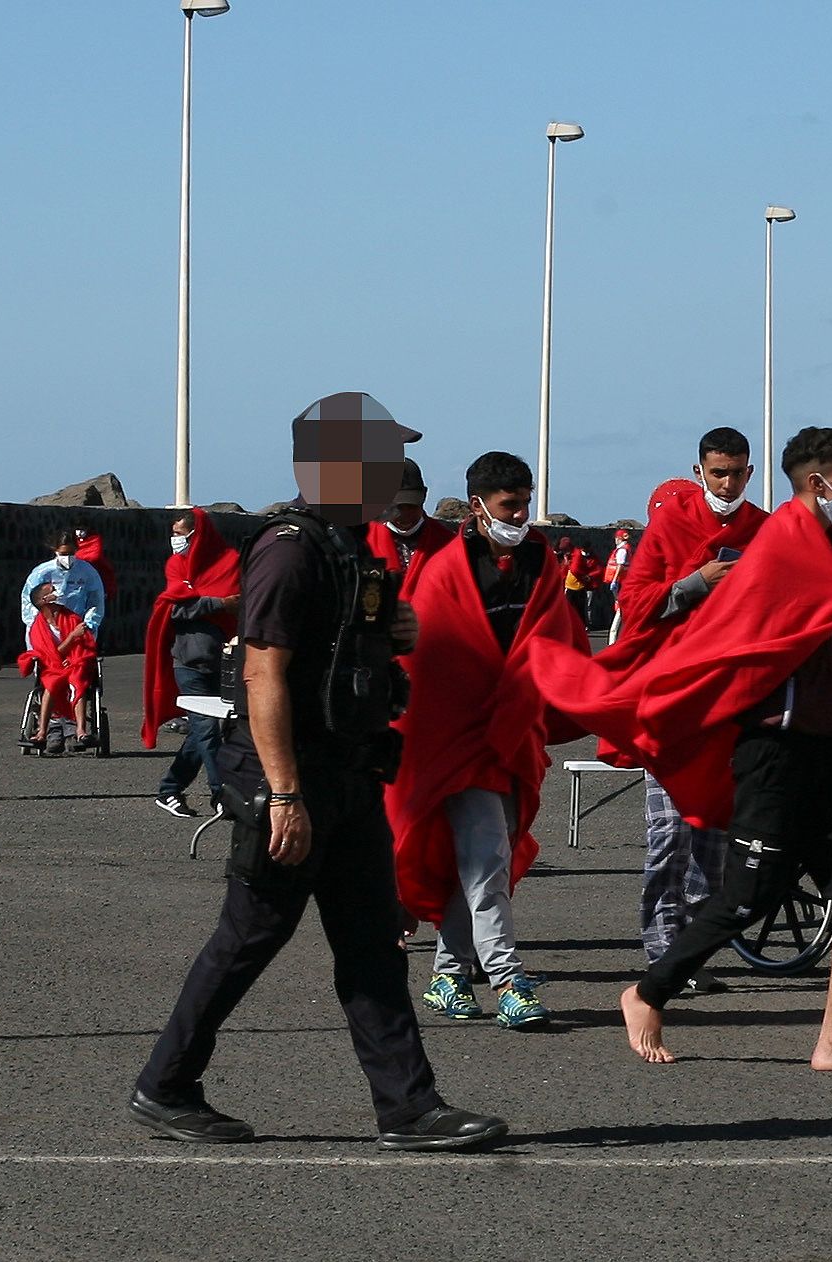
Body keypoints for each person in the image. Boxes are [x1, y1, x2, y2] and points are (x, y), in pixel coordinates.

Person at [132, 390, 505, 1152]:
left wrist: (394, 627)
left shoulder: (348, 547)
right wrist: (282, 795)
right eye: (380, 457)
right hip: (293, 777)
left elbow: (344, 654)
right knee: (249, 938)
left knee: (371, 943)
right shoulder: (291, 549)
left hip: (348, 772)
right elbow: (264, 674)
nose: (394, 470)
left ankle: (409, 1108)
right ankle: (165, 1085)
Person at [531, 425, 832, 1074]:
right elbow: (723, 637)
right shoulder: (780, 546)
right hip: (776, 749)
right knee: (750, 891)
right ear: (818, 484)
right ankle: (648, 992)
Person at [386, 451, 588, 1029]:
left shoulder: (539, 561)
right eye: (510, 505)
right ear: (478, 507)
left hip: (512, 733)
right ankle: (507, 979)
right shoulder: (447, 570)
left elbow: (555, 637)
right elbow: (428, 657)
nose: (521, 513)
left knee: (478, 860)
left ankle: (449, 976)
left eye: (525, 502)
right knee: (488, 862)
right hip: (455, 737)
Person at [612, 427, 768, 987]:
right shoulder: (669, 526)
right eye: (718, 472)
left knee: (713, 838)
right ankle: (662, 952)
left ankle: (692, 951)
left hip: (727, 704)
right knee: (667, 836)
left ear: (751, 473)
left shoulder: (763, 530)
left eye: (738, 472)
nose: (728, 482)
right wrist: (696, 582)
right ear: (700, 471)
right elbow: (634, 603)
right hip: (669, 700)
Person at [143, 509, 241, 818]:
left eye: (181, 535)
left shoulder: (229, 561)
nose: (176, 541)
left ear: (199, 536)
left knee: (201, 733)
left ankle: (170, 788)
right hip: (187, 662)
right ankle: (221, 795)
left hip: (224, 661)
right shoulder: (175, 565)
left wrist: (210, 605)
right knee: (207, 730)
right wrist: (217, 604)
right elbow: (173, 609)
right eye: (173, 535)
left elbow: (242, 600)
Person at [20, 532, 108, 751]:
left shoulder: (87, 573)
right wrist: (41, 625)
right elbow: (29, 602)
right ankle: (51, 728)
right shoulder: (42, 573)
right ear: (55, 551)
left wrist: (88, 625)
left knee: (78, 679)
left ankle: (75, 729)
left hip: (77, 630)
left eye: (71, 553)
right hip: (47, 636)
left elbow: (96, 601)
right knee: (49, 681)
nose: (67, 557)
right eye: (63, 553)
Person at [19, 581, 97, 752]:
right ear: (44, 600)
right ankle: (41, 732)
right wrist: (72, 637)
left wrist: (74, 657)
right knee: (51, 684)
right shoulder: (37, 628)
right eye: (53, 590)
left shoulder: (72, 618)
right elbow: (50, 653)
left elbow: (84, 646)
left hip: (74, 664)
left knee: (77, 680)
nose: (58, 592)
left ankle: (81, 731)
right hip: (52, 666)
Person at [364, 457, 454, 599]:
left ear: (424, 495)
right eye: (397, 507)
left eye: (412, 505)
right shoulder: (363, 541)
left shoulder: (448, 542)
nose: (405, 514)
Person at [555, 537, 601, 627]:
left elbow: (575, 569)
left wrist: (586, 576)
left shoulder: (576, 554)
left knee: (579, 608)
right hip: (570, 585)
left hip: (577, 586)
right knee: (571, 608)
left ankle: (582, 626)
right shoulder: (570, 556)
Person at [72, 521, 119, 606]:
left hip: (95, 572)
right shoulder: (72, 541)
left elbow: (94, 556)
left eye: (82, 530)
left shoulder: (94, 539)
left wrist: (80, 559)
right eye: (77, 529)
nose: (79, 532)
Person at [603, 526, 632, 641]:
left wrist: (615, 580)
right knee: (619, 608)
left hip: (619, 582)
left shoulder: (622, 550)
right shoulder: (623, 549)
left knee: (620, 609)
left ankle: (613, 637)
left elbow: (620, 565)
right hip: (619, 581)